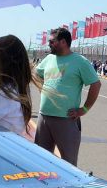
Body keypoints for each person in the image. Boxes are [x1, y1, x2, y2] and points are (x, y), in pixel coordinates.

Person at [34, 27, 100, 166]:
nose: (49, 44)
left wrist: (84, 109)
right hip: (44, 117)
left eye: (52, 41)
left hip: (66, 119)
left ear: (63, 42)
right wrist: (43, 89)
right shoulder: (49, 59)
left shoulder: (80, 61)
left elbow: (96, 85)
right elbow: (37, 74)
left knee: (68, 163)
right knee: (40, 161)